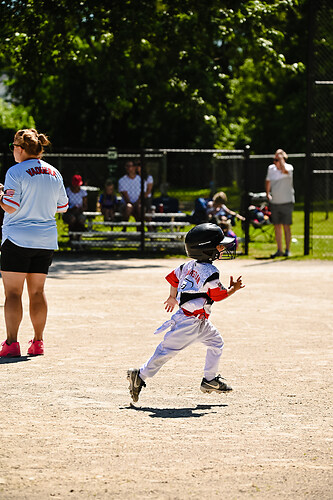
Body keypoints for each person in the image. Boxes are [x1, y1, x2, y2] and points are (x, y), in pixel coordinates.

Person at [127, 223, 245, 403]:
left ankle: (209, 380)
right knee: (166, 351)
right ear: (207, 250)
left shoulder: (188, 265)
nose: (223, 249)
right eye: (219, 246)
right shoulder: (211, 272)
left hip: (199, 321)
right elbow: (219, 295)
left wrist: (172, 296)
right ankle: (140, 375)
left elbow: (173, 278)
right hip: (188, 322)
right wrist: (233, 289)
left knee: (216, 343)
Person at [0, 128, 68, 358]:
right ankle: (38, 342)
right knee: (37, 292)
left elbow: (10, 206)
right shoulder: (54, 172)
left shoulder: (15, 171)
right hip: (46, 239)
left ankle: (11, 343)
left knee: (12, 293)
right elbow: (62, 207)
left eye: (13, 147)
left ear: (20, 149)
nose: (12, 152)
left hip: (17, 238)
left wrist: (0, 195)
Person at [265, 149, 295, 258]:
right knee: (277, 227)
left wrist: (281, 160)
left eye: (276, 159)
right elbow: (268, 180)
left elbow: (284, 170)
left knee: (286, 226)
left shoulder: (289, 167)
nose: (274, 161)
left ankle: (287, 250)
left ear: (282, 159)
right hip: (275, 202)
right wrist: (268, 193)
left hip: (287, 201)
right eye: (274, 159)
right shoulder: (271, 169)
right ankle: (279, 250)